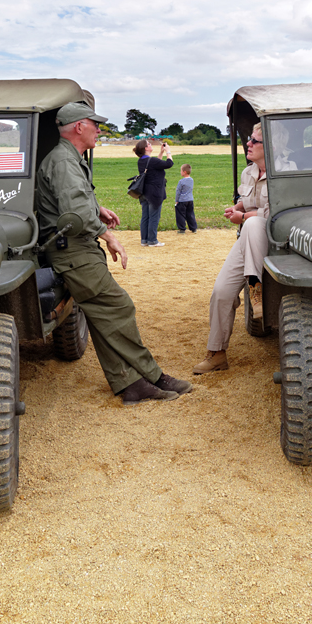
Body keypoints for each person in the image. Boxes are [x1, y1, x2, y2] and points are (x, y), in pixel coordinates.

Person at [37, 102, 192, 405]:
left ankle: (130, 384)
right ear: (78, 127)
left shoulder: (69, 159)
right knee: (118, 307)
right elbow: (76, 210)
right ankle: (154, 375)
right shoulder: (64, 161)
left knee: (102, 314)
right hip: (73, 250)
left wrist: (99, 210)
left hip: (74, 246)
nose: (99, 129)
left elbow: (78, 201)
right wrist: (108, 236)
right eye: (93, 124)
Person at [193, 123, 296, 375]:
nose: (248, 144)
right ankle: (217, 354)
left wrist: (247, 216)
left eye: (254, 141)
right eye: (249, 139)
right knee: (221, 292)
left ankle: (254, 288)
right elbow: (248, 201)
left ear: (271, 146)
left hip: (280, 245)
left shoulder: (288, 171)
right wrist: (239, 208)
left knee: (253, 224)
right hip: (249, 242)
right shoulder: (248, 172)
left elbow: (279, 216)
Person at [133, 138, 173, 247]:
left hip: (144, 193)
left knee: (145, 217)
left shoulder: (141, 161)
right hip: (154, 193)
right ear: (146, 148)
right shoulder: (152, 161)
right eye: (149, 144)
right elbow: (169, 164)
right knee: (154, 217)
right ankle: (152, 241)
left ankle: (144, 240)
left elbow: (156, 164)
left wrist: (161, 152)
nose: (151, 145)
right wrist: (168, 151)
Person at [175, 163, 197, 234]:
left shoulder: (181, 181)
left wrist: (176, 200)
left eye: (181, 171)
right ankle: (193, 228)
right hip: (190, 199)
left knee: (180, 215)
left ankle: (182, 228)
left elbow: (178, 192)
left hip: (182, 200)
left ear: (184, 172)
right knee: (190, 214)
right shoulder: (191, 180)